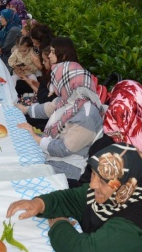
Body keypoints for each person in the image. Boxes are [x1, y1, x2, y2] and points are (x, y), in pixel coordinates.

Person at [6, 143, 142, 252]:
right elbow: (73, 198)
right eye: (93, 174)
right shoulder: (125, 192)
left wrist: (59, 224)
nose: (93, 184)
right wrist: (39, 204)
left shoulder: (135, 226)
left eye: (103, 181)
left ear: (125, 185)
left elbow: (84, 249)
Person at [16, 39, 104, 184]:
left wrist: (36, 138)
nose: (55, 85)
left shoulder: (86, 116)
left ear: (66, 83)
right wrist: (24, 109)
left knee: (21, 172)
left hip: (67, 170)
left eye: (57, 80)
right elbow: (47, 108)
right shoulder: (70, 99)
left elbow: (64, 149)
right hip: (53, 157)